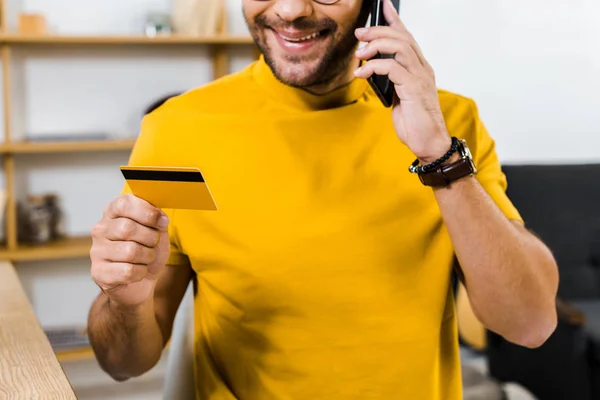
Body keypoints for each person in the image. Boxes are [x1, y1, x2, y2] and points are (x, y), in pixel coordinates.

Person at [86, 0, 560, 398]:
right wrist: (125, 302)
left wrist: (439, 155)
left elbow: (530, 324)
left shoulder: (448, 123)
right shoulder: (176, 131)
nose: (291, 10)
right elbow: (123, 364)